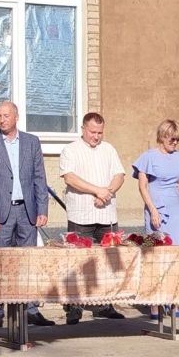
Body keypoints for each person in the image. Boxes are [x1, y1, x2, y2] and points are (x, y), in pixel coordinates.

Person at [0, 101, 55, 329]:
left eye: (6, 115)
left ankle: (31, 309)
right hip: (0, 214)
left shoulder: (31, 142)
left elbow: (39, 177)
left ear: (16, 117)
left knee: (28, 264)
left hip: (27, 212)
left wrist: (42, 209)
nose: (1, 120)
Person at [59, 112, 127, 325]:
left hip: (106, 215)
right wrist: (97, 190)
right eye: (92, 132)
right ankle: (74, 306)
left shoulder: (109, 149)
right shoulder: (71, 150)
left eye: (100, 132)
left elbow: (119, 175)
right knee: (78, 263)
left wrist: (107, 192)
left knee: (108, 262)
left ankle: (105, 304)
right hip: (81, 215)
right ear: (83, 129)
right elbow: (70, 178)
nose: (96, 136)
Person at [132, 119, 179, 319]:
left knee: (177, 255)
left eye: (178, 139)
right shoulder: (148, 157)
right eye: (172, 139)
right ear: (162, 136)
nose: (175, 143)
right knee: (156, 256)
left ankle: (174, 302)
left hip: (174, 209)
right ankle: (154, 305)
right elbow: (142, 187)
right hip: (155, 209)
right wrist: (152, 210)